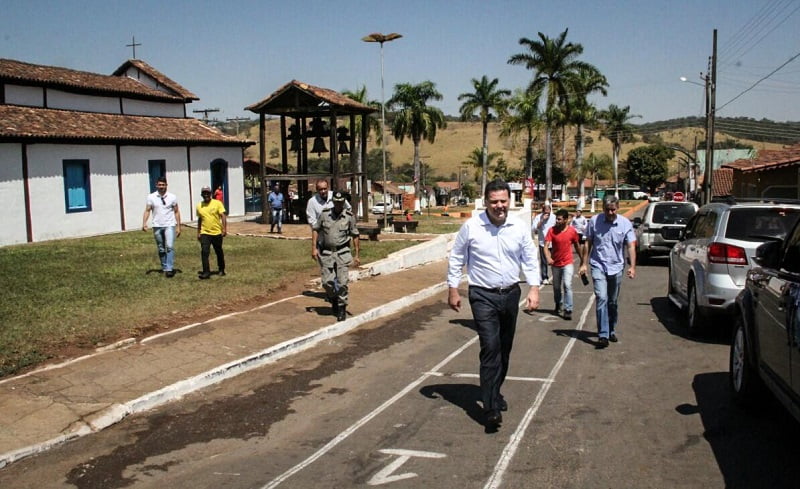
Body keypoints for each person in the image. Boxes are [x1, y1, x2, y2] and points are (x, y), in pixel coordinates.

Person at [447, 179, 541, 428]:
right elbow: (457, 256)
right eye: (494, 202)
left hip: (510, 294)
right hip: (482, 295)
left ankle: (495, 392)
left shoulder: (519, 227)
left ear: (510, 201)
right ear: (485, 203)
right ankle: (489, 408)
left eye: (503, 201)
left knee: (504, 348)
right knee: (490, 346)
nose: (499, 206)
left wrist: (534, 288)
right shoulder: (472, 227)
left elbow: (530, 258)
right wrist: (453, 288)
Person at [579, 195, 636, 349]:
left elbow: (630, 245)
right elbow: (588, 242)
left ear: (617, 208)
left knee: (612, 301)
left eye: (613, 209)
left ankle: (611, 329)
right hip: (598, 265)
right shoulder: (594, 222)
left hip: (616, 267)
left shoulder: (624, 224)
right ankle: (603, 335)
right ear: (603, 209)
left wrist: (632, 266)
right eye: (607, 210)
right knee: (601, 298)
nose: (610, 212)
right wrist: (584, 263)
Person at [312, 191, 360, 321]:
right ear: (333, 202)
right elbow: (316, 229)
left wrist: (356, 254)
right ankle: (333, 298)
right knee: (327, 282)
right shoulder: (325, 214)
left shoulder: (349, 217)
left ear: (344, 202)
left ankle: (341, 308)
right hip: (327, 253)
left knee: (342, 282)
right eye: (336, 202)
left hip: (342, 252)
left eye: (341, 202)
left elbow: (355, 235)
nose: (338, 205)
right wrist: (314, 248)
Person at [544, 209, 584, 320]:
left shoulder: (572, 232)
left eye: (559, 219)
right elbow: (546, 246)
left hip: (567, 262)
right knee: (556, 287)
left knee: (567, 285)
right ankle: (558, 303)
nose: (557, 221)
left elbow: (577, 245)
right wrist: (548, 257)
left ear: (566, 220)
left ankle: (568, 309)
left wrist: (582, 260)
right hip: (555, 263)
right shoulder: (552, 230)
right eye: (556, 219)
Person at [142, 176, 181, 278]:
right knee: (161, 248)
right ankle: (164, 266)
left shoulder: (172, 197)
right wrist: (144, 223)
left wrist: (178, 227)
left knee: (169, 246)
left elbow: (176, 211)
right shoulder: (151, 197)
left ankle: (169, 269)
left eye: (163, 185)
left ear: (166, 185)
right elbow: (147, 210)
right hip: (157, 225)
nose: (161, 187)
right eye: (159, 185)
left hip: (169, 225)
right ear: (156, 185)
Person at [196, 186, 227, 279]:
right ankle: (206, 272)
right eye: (204, 193)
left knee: (218, 251)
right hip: (205, 232)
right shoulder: (199, 206)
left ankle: (221, 269)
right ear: (201, 195)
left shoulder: (217, 203)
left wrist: (224, 229)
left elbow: (223, 216)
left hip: (217, 232)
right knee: (204, 252)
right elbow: (200, 219)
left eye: (208, 193)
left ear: (210, 194)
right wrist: (198, 232)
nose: (206, 195)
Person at [531, 203, 556, 285]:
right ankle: (544, 277)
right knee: (544, 261)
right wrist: (541, 221)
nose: (547, 214)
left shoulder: (554, 217)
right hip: (543, 242)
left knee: (554, 260)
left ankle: (555, 277)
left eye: (548, 212)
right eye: (545, 212)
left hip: (553, 242)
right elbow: (534, 228)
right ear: (543, 211)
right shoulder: (538, 217)